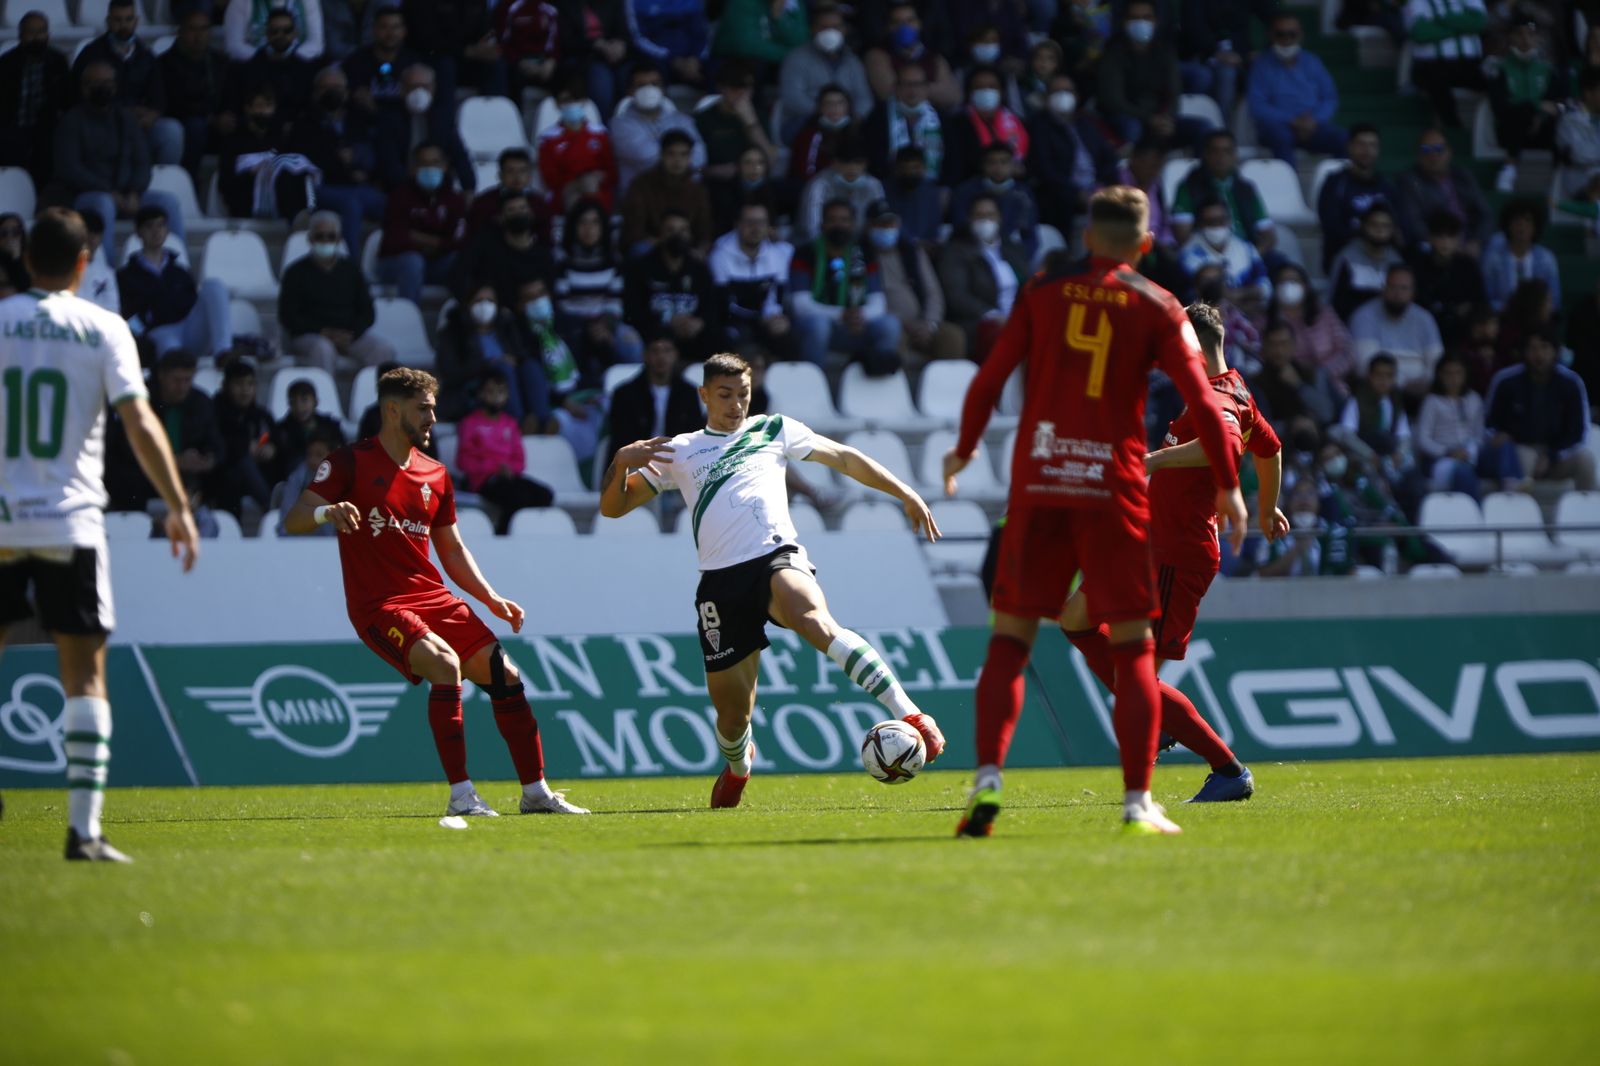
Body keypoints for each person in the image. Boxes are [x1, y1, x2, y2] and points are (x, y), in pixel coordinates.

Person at [942, 186, 1246, 838]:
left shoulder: (1044, 292)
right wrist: (1231, 486)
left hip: (1042, 484)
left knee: (1010, 642)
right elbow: (1203, 394)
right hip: (1113, 492)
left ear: (1086, 237)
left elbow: (989, 379)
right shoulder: (1160, 306)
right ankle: (1139, 802)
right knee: (1135, 652)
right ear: (1144, 244)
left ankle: (988, 781)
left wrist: (964, 451)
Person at [598, 352, 947, 808]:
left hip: (775, 557)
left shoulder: (772, 429)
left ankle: (909, 713)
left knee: (814, 620)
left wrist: (904, 491)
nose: (735, 404)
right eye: (724, 395)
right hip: (721, 585)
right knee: (731, 716)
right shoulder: (680, 450)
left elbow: (842, 457)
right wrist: (622, 461)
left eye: (742, 394)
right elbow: (613, 507)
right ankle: (740, 766)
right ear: (704, 395)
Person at [283, 367, 588, 816]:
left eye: (432, 408)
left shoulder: (435, 473)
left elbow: (452, 549)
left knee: (508, 677)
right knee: (446, 665)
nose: (431, 418)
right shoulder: (349, 462)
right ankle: (462, 796)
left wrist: (490, 598)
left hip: (434, 598)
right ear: (392, 410)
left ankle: (536, 793)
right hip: (379, 604)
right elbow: (294, 518)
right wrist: (328, 513)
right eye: (422, 409)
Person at [0, 207, 199, 862]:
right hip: (70, 520)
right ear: (86, 264)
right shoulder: (103, 327)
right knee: (85, 677)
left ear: (26, 260)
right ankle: (83, 832)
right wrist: (177, 504)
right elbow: (139, 423)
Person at [1070, 300, 1282, 803]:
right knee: (1075, 617)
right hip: (1150, 545)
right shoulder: (1235, 391)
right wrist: (1270, 507)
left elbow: (1226, 448)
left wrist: (1152, 460)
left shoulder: (1218, 398)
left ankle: (1228, 770)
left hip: (1176, 553)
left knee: (1138, 677)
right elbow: (1270, 449)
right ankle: (1158, 721)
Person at [54, 63, 185, 251]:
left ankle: (177, 265)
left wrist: (134, 191)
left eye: (108, 83)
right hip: (86, 196)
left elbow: (142, 161)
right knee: (104, 203)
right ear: (84, 88)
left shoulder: (126, 118)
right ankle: (106, 271)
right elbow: (70, 169)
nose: (103, 88)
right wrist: (109, 192)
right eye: (96, 83)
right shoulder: (71, 121)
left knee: (167, 202)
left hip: (126, 195)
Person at [789, 199, 901, 374]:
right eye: (832, 220)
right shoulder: (805, 252)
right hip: (817, 328)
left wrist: (859, 316)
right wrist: (842, 315)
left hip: (856, 327)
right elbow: (800, 305)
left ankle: (877, 380)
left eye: (844, 220)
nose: (838, 225)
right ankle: (812, 383)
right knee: (819, 326)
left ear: (853, 224)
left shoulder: (864, 253)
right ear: (822, 224)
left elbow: (878, 302)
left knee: (890, 324)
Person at [280, 211, 397, 373]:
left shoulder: (352, 270)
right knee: (323, 349)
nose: (326, 241)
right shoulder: (295, 272)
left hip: (349, 335)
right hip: (311, 335)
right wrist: (322, 332)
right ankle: (324, 397)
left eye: (331, 236)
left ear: (339, 239)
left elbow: (367, 311)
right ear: (310, 239)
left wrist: (351, 333)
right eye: (320, 236)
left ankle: (375, 396)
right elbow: (287, 315)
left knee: (382, 350)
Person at [71, 0, 183, 167]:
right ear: (108, 21)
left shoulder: (146, 56)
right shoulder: (91, 54)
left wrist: (151, 116)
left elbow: (158, 99)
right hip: (103, 125)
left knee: (171, 130)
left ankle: (162, 180)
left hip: (140, 125)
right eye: (117, 20)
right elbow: (79, 98)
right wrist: (125, 115)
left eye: (128, 19)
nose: (123, 25)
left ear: (136, 21)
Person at [1484, 332, 1597, 492]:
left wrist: (1552, 456)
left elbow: (1580, 433)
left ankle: (1587, 514)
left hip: (1557, 455)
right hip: (1520, 448)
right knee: (1524, 457)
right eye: (1533, 348)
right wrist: (1499, 438)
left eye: (1545, 348)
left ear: (1555, 351)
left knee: (1586, 460)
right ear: (1524, 352)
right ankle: (1522, 514)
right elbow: (1489, 424)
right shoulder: (1505, 380)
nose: (1539, 354)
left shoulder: (1571, 383)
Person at [288, 65, 385, 251]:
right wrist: (341, 163)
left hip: (357, 186)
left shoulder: (358, 120)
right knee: (351, 206)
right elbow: (306, 162)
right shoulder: (304, 124)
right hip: (323, 187)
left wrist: (358, 164)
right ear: (315, 93)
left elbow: (371, 154)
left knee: (389, 205)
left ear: (347, 92)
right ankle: (352, 267)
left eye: (338, 88)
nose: (332, 92)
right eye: (326, 88)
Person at [117, 206, 231, 359]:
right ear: (139, 232)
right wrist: (144, 330)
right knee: (169, 345)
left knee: (214, 285)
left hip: (188, 329)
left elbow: (192, 301)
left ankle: (223, 353)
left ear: (167, 230)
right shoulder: (126, 275)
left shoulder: (179, 271)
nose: (156, 231)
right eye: (149, 226)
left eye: (161, 225)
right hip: (158, 333)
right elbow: (126, 315)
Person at [455, 370, 554, 534]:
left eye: (501, 392)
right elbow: (464, 460)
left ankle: (525, 532)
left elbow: (519, 459)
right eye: (490, 391)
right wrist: (494, 468)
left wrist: (509, 469)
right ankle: (502, 534)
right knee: (518, 498)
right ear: (481, 394)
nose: (496, 397)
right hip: (484, 480)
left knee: (545, 495)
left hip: (509, 477)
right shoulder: (470, 423)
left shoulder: (510, 424)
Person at [936, 195, 1030, 361]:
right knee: (1004, 335)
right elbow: (957, 297)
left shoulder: (1013, 249)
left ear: (999, 218)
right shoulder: (956, 251)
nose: (985, 220)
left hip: (1016, 318)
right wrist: (992, 314)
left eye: (990, 215)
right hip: (978, 322)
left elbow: (1030, 285)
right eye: (979, 216)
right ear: (970, 219)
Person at [1246, 11, 1346, 166]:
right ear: (1272, 36)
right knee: (1281, 138)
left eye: (1292, 34)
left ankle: (1336, 186)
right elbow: (1257, 105)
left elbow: (1329, 97)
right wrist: (1292, 121)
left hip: (1312, 125)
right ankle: (1289, 187)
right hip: (1277, 127)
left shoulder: (1313, 62)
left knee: (1344, 140)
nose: (1286, 39)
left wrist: (1314, 120)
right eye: (1281, 34)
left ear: (1300, 36)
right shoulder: (1261, 65)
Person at [868, 201, 962, 363]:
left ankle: (947, 387)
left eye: (890, 223)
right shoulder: (863, 256)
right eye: (880, 224)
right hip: (890, 324)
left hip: (922, 323)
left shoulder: (912, 252)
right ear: (869, 226)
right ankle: (896, 388)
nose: (886, 229)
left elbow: (933, 292)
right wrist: (903, 324)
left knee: (952, 336)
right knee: (893, 337)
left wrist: (929, 324)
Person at [1026, 72, 1118, 237]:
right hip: (1062, 199)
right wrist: (1077, 195)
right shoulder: (1039, 127)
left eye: (1067, 91)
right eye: (1057, 91)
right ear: (1047, 97)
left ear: (1076, 96)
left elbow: (1108, 158)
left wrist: (1102, 186)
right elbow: (1045, 170)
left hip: (1096, 191)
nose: (1063, 96)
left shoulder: (1087, 123)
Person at [436, 282, 541, 425]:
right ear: (467, 304)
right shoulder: (454, 332)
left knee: (531, 367)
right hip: (474, 387)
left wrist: (514, 360)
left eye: (490, 301)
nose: (485, 305)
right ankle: (517, 423)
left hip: (510, 383)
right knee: (503, 368)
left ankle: (542, 420)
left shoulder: (506, 327)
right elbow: (451, 373)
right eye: (478, 301)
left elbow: (521, 354)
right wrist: (489, 364)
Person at [623, 210, 721, 364]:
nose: (678, 235)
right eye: (671, 230)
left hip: (693, 335)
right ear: (660, 235)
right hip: (655, 335)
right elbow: (633, 311)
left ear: (690, 234)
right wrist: (667, 320)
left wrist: (699, 322)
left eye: (683, 230)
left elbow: (711, 307)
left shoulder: (699, 269)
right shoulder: (641, 267)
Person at [553, 198, 640, 370]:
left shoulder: (613, 263)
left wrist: (605, 324)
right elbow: (562, 304)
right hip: (574, 326)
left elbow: (615, 302)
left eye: (594, 223)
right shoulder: (563, 264)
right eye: (583, 223)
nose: (589, 229)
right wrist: (588, 327)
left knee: (631, 341)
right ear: (574, 227)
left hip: (605, 324)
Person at [377, 142, 469, 304]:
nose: (430, 168)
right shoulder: (399, 196)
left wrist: (421, 239)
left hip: (437, 265)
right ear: (413, 168)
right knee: (413, 261)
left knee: (462, 259)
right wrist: (438, 243)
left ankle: (462, 318)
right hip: (398, 265)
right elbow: (394, 239)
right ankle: (409, 318)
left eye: (435, 163)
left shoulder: (455, 199)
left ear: (445, 166)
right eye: (424, 163)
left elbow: (459, 241)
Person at [603, 332, 703, 468]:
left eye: (667, 351)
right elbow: (621, 438)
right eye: (655, 351)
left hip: (678, 463)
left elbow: (694, 434)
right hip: (637, 463)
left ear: (676, 355)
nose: (661, 357)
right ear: (645, 355)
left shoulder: (688, 392)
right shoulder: (625, 393)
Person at [1488, 18, 1567, 193]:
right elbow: (1499, 107)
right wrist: (1535, 108)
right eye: (1519, 33)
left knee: (1564, 125)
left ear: (1538, 38)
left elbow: (1562, 103)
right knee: (1521, 112)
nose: (1525, 39)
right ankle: (1508, 170)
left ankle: (1557, 180)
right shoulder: (1499, 68)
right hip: (1510, 130)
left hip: (1543, 129)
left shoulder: (1548, 69)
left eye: (1530, 34)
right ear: (1511, 38)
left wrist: (1542, 114)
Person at [1095, 1, 1186, 150]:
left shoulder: (1165, 50)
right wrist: (1149, 119)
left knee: (1201, 128)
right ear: (1125, 22)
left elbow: (1173, 92)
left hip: (1159, 118)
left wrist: (1167, 119)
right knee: (1132, 127)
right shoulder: (1113, 53)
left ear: (1155, 22)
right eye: (1135, 18)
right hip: (1127, 117)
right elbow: (1114, 101)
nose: (1141, 22)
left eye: (1146, 17)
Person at [709, 201, 795, 359]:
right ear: (737, 224)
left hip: (764, 319)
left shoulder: (779, 255)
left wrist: (774, 317)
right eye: (750, 222)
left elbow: (776, 298)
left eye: (761, 222)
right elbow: (721, 303)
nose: (756, 228)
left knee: (787, 335)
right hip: (733, 320)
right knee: (724, 337)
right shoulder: (720, 255)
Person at [777, 4, 874, 143]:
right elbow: (792, 97)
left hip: (846, 122)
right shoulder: (796, 58)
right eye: (823, 27)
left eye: (835, 27)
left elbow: (864, 98)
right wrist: (825, 114)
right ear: (813, 29)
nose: (830, 32)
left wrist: (854, 117)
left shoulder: (852, 61)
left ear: (844, 30)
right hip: (806, 120)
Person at [160, 7, 235, 178]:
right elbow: (172, 105)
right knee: (196, 127)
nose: (198, 35)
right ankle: (190, 182)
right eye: (192, 29)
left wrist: (226, 117)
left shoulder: (221, 63)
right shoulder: (164, 64)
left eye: (204, 29)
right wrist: (211, 119)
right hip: (188, 128)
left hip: (218, 127)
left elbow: (230, 95)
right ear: (180, 32)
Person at [0, 10, 71, 184]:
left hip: (47, 129)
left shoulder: (58, 62)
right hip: (12, 127)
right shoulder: (6, 63)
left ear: (48, 34)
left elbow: (67, 98)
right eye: (31, 32)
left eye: (41, 31)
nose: (36, 37)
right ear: (20, 35)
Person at [1349, 264, 1445, 393]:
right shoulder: (1364, 316)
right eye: (1392, 287)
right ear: (1383, 289)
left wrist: (1427, 383)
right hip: (1380, 390)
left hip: (1422, 391)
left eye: (1404, 288)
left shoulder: (1425, 319)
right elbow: (1365, 366)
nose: (1398, 294)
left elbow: (1437, 363)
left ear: (1413, 293)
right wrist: (1404, 385)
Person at [611, 67, 706, 196]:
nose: (649, 90)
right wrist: (682, 157)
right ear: (630, 91)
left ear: (663, 89)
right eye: (642, 85)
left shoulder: (683, 120)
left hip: (683, 197)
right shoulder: (619, 125)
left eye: (655, 84)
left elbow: (700, 157)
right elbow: (645, 157)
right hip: (641, 199)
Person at [450, 190, 556, 306]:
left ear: (531, 213)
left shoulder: (543, 255)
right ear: (501, 217)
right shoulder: (484, 246)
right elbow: (458, 276)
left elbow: (551, 291)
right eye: (511, 210)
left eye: (522, 208)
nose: (518, 213)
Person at [1316, 124, 1399, 270]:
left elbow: (1397, 225)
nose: (1367, 150)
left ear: (1378, 150)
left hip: (1382, 256)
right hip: (1345, 259)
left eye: (1372, 145)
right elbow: (1331, 229)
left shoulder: (1386, 186)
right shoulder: (1334, 184)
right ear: (1349, 147)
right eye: (1361, 144)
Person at [1169, 129, 1270, 249]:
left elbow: (1269, 236)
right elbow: (1183, 236)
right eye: (1215, 151)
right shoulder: (1188, 187)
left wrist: (1251, 257)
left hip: (1247, 252)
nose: (1221, 157)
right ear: (1205, 154)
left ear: (1235, 156)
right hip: (1206, 255)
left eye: (1227, 151)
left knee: (1287, 268)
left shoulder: (1246, 188)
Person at [1394, 129, 1490, 251]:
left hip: (1470, 242)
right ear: (1418, 155)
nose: (1433, 155)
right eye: (1426, 150)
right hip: (1435, 245)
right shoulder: (1409, 181)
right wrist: (1446, 244)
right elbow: (1414, 225)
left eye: (1438, 149)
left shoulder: (1463, 176)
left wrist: (1476, 241)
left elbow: (1485, 214)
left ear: (1449, 152)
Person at [620, 129, 714, 253]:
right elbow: (634, 232)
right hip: (652, 247)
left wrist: (700, 251)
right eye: (671, 154)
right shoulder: (641, 185)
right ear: (662, 155)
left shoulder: (697, 189)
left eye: (683, 154)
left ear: (690, 157)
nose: (677, 160)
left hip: (686, 249)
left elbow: (704, 231)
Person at [209, 358, 280, 519]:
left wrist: (271, 447)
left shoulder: (260, 415)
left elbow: (273, 437)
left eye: (250, 384)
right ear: (226, 386)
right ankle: (271, 509)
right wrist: (245, 447)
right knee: (242, 461)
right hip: (224, 476)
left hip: (260, 472)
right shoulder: (214, 412)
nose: (245, 390)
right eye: (239, 384)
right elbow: (217, 444)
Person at [536, 75, 618, 212]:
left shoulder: (600, 134)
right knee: (578, 191)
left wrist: (596, 178)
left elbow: (612, 173)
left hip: (597, 191)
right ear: (557, 104)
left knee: (590, 185)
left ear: (585, 101)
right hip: (564, 194)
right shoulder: (548, 139)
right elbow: (550, 178)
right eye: (566, 100)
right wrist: (578, 181)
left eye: (577, 99)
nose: (572, 104)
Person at [1270, 262, 1356, 392]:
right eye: (1283, 281)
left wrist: (1323, 374)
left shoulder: (1325, 315)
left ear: (1305, 286)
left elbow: (1347, 352)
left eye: (1294, 281)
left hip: (1331, 383)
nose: (1288, 286)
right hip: (1284, 385)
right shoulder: (1266, 321)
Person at [693, 61, 778, 189]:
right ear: (721, 88)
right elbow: (692, 166)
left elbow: (770, 160)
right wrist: (712, 171)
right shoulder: (704, 119)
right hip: (716, 184)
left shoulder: (759, 116)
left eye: (747, 87)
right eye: (735, 87)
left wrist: (751, 122)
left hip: (752, 182)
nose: (742, 93)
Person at [1408, 210, 1487, 346]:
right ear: (1430, 238)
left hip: (1462, 332)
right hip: (1425, 330)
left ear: (1457, 240)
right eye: (1440, 236)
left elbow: (1478, 301)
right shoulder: (1418, 266)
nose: (1445, 242)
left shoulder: (1468, 266)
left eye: (1450, 236)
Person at [948, 142, 1039, 259]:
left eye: (1004, 162)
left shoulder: (1023, 194)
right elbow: (960, 228)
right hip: (972, 254)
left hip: (1010, 254)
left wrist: (1019, 259)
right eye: (992, 162)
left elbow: (1029, 236)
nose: (998, 168)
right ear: (983, 165)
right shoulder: (965, 191)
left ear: (1013, 165)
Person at [1403, 0, 1487, 128]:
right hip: (1431, 65)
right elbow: (1420, 32)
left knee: (1496, 80)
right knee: (1435, 81)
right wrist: (1462, 28)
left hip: (1469, 65)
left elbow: (1480, 22)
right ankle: (1453, 128)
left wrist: (1439, 18)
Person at [1178, 199, 1271, 313]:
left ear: (1229, 221)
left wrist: (1241, 294)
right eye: (1210, 221)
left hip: (1251, 315)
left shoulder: (1246, 249)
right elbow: (1193, 295)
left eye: (1220, 220)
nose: (1216, 225)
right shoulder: (1188, 255)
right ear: (1200, 223)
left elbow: (1266, 287)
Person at [863, 2, 960, 110]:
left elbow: (953, 96)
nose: (904, 26)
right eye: (897, 22)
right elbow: (887, 93)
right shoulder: (877, 55)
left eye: (910, 20)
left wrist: (907, 88)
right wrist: (931, 89)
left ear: (919, 24)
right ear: (888, 27)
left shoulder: (934, 58)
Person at [946, 65, 1031, 185]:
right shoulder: (957, 124)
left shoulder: (1017, 122)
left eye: (992, 87)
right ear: (970, 92)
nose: (986, 91)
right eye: (979, 87)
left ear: (1002, 92)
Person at [862, 65, 946, 183]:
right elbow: (873, 157)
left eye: (918, 84)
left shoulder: (941, 117)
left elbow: (952, 159)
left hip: (932, 187)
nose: (912, 90)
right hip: (889, 185)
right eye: (906, 84)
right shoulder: (878, 117)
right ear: (896, 87)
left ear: (927, 87)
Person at [1415, 354, 1484, 496]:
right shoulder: (1432, 401)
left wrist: (1469, 452)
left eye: (1458, 373)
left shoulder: (1474, 398)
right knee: (1463, 473)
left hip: (1470, 454)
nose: (1453, 378)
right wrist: (1448, 452)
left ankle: (1513, 484)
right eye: (1448, 373)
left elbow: (1479, 434)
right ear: (1440, 375)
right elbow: (1423, 440)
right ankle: (1475, 514)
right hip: (1440, 459)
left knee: (1503, 447)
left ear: (1465, 374)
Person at [795, 133, 885, 241]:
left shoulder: (874, 186)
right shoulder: (819, 185)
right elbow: (812, 229)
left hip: (861, 247)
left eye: (858, 162)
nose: (852, 167)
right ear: (834, 163)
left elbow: (881, 223)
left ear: (865, 164)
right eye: (846, 162)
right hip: (822, 246)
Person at [1481, 200, 1561, 314]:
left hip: (1537, 319)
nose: (1522, 225)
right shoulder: (1493, 259)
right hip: (1503, 320)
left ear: (1535, 227)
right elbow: (1486, 299)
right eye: (1517, 220)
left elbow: (1555, 301)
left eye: (1527, 220)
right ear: (1508, 225)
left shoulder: (1547, 259)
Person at [1329, 202, 1404, 321]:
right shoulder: (1346, 257)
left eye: (1385, 226)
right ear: (1364, 226)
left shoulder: (1396, 260)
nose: (1380, 230)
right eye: (1374, 225)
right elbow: (1335, 303)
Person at [787, 84, 857, 188]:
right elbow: (805, 173)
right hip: (816, 188)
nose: (834, 108)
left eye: (840, 103)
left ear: (848, 107)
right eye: (828, 103)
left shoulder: (858, 133)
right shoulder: (809, 135)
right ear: (820, 108)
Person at [275, 378, 346, 477]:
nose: (299, 407)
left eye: (304, 400)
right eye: (293, 402)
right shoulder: (282, 429)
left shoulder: (330, 425)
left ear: (315, 401)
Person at [712, 0, 809, 69]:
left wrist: (778, 18)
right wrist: (790, 55)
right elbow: (747, 45)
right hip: (733, 59)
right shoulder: (742, 2)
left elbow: (800, 40)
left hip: (775, 59)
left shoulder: (794, 2)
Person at [225, 0, 326, 62]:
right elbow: (234, 46)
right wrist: (266, 61)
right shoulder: (241, 2)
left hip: (297, 66)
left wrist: (288, 60)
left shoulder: (308, 1)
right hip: (255, 66)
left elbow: (316, 45)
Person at [77, 210, 121, 315]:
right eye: (87, 233)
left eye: (96, 233)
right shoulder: (62, 271)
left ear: (101, 237)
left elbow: (113, 310)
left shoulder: (107, 273)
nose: (91, 238)